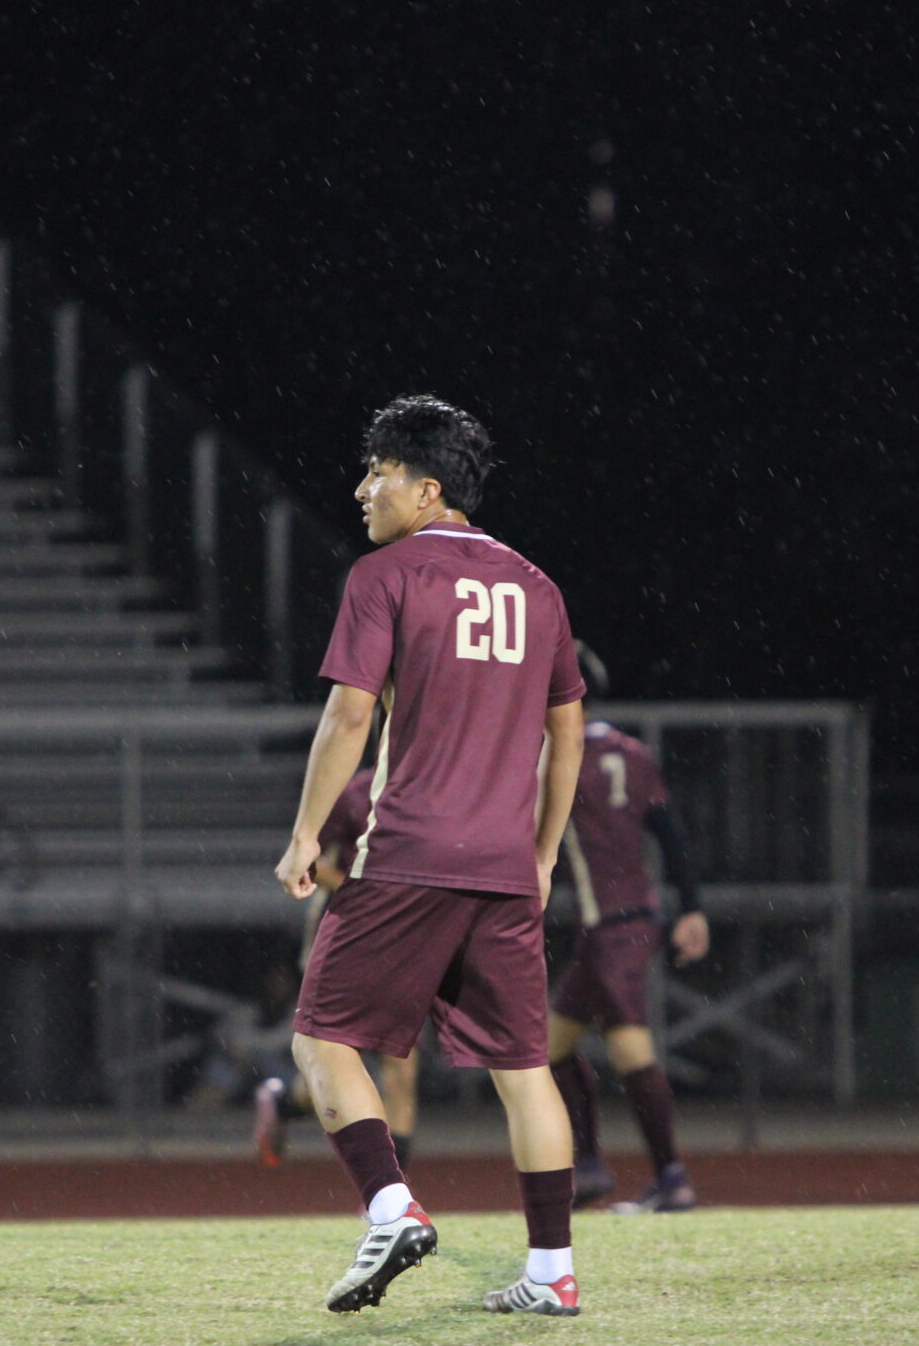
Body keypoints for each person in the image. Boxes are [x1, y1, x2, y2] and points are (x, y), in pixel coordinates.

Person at [274, 395, 587, 1317]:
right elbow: (566, 734)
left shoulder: (388, 573)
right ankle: (552, 1271)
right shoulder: (539, 585)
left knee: (319, 1038)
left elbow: (349, 712)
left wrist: (303, 833)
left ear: (427, 488)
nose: (364, 486)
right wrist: (542, 854)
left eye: (379, 470)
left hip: (408, 851)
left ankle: (390, 1205)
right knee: (526, 1072)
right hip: (501, 863)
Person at [547, 641, 709, 1214]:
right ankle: (592, 1166)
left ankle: (670, 1175)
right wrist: (691, 907)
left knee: (628, 1044)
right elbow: (672, 833)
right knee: (553, 1045)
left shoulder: (558, 755)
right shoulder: (633, 752)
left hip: (611, 926)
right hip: (627, 920)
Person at [254, 765, 423, 1170]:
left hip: (408, 938)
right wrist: (372, 891)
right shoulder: (355, 793)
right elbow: (309, 862)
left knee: (401, 1068)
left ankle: (388, 1201)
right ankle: (285, 1100)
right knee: (336, 1058)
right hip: (352, 935)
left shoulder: (437, 784)